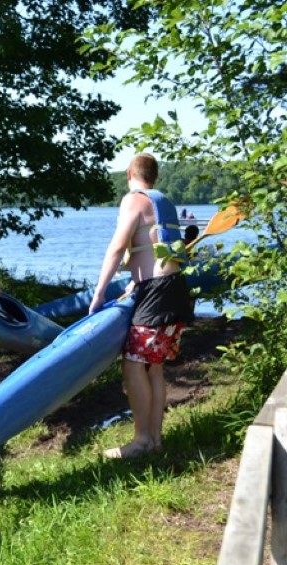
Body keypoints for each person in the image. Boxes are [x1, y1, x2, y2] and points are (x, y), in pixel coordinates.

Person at [89, 153, 194, 459]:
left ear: (129, 174)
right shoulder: (163, 202)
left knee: (134, 362)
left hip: (156, 293)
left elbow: (117, 247)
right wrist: (134, 283)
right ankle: (156, 441)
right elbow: (152, 249)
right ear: (155, 177)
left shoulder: (133, 200)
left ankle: (140, 440)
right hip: (174, 289)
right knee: (154, 366)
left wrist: (98, 295)